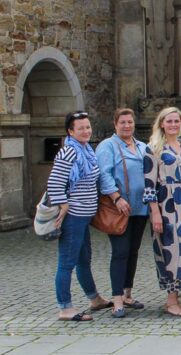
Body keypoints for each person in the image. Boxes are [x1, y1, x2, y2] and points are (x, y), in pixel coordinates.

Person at [48, 111, 112, 322]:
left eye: (87, 127)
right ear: (70, 131)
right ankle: (65, 307)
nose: (86, 131)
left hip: (84, 215)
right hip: (73, 216)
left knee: (84, 259)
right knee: (67, 262)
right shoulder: (68, 152)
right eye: (81, 128)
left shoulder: (86, 150)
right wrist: (64, 205)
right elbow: (55, 183)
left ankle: (94, 299)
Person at [143, 107, 181, 317]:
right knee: (170, 249)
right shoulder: (154, 148)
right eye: (170, 121)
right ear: (162, 123)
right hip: (167, 203)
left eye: (177, 121)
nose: (174, 124)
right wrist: (155, 212)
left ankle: (177, 297)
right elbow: (149, 184)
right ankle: (171, 300)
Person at [96, 108, 149, 318]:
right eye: (123, 122)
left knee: (133, 251)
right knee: (120, 251)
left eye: (130, 122)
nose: (127, 126)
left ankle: (128, 293)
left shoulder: (142, 146)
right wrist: (116, 197)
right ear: (115, 124)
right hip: (120, 209)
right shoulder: (107, 146)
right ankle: (116, 299)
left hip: (140, 207)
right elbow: (104, 175)